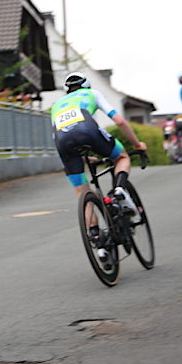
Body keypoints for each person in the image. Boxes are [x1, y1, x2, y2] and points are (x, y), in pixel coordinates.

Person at [50, 73, 146, 268]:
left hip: (63, 144)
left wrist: (86, 158)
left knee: (82, 192)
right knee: (122, 157)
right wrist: (137, 144)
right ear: (86, 85)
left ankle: (97, 240)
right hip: (89, 133)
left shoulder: (56, 106)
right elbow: (119, 121)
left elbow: (64, 136)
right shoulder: (92, 93)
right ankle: (119, 189)